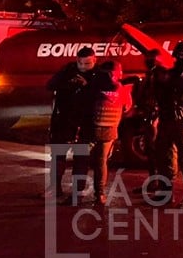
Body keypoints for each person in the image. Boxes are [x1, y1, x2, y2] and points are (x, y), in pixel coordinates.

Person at [152, 41, 183, 209]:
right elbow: (159, 92)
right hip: (167, 119)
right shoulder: (170, 73)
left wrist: (170, 78)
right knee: (166, 156)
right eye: (180, 55)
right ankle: (166, 194)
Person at [46, 46, 96, 204]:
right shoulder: (68, 70)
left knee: (81, 159)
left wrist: (87, 86)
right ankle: (55, 188)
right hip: (64, 122)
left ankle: (77, 194)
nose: (83, 66)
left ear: (94, 60)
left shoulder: (98, 75)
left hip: (85, 123)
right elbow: (51, 85)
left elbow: (102, 93)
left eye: (87, 63)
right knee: (58, 156)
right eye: (80, 62)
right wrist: (68, 83)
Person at [87, 61, 131, 207]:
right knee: (102, 161)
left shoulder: (93, 87)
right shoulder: (123, 89)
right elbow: (127, 107)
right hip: (110, 129)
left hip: (95, 127)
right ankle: (99, 193)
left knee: (97, 160)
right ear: (115, 73)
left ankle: (97, 192)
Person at [124, 52, 165, 193]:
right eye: (147, 59)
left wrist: (156, 116)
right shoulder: (151, 75)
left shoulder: (160, 75)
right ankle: (154, 182)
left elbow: (159, 97)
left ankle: (159, 184)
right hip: (149, 116)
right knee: (150, 151)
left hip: (155, 117)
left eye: (151, 59)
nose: (148, 61)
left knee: (155, 151)